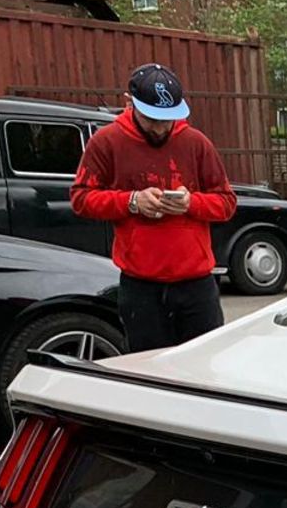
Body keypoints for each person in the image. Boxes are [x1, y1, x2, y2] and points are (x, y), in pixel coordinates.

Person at [71, 63, 237, 351]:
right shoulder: (106, 143)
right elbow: (81, 198)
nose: (161, 128)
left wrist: (191, 203)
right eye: (152, 118)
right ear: (128, 103)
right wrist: (132, 201)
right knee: (148, 370)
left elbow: (226, 203)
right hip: (141, 286)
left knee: (206, 366)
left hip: (196, 284)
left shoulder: (196, 143)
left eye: (168, 119)